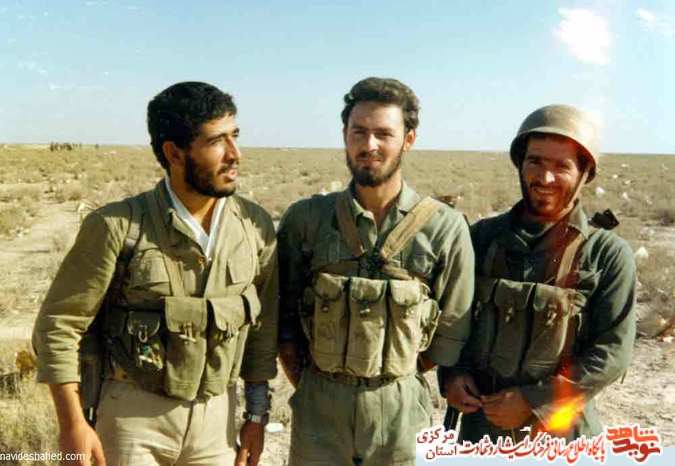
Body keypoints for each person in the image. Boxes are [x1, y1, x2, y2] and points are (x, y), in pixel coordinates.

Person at [32, 81, 278, 466]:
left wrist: (257, 415)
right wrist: (72, 424)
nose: (235, 154)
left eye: (235, 136)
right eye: (217, 141)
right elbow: (58, 325)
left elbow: (262, 329)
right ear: (174, 153)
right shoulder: (116, 226)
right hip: (133, 419)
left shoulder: (254, 226)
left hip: (218, 421)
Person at [277, 77, 474, 465]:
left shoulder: (444, 228)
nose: (369, 145)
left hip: (401, 412)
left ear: (408, 139)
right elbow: (283, 319)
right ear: (345, 135)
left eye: (384, 134)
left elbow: (451, 330)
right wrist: (318, 383)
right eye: (359, 132)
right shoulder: (306, 220)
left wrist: (393, 374)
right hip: (319, 407)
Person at [441, 104, 636, 442]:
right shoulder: (482, 238)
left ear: (584, 174)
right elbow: (452, 320)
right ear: (521, 164)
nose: (545, 178)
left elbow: (612, 353)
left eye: (562, 166)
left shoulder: (607, 253)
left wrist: (533, 400)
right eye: (535, 162)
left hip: (562, 435)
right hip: (482, 432)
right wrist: (454, 376)